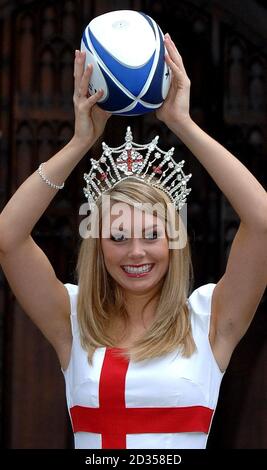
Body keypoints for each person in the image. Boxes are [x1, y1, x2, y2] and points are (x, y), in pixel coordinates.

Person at [0, 33, 266, 450]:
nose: (136, 251)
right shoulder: (72, 319)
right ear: (99, 244)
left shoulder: (210, 319)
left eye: (152, 234)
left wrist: (182, 123)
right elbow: (8, 238)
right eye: (119, 236)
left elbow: (263, 221)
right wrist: (79, 142)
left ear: (174, 240)